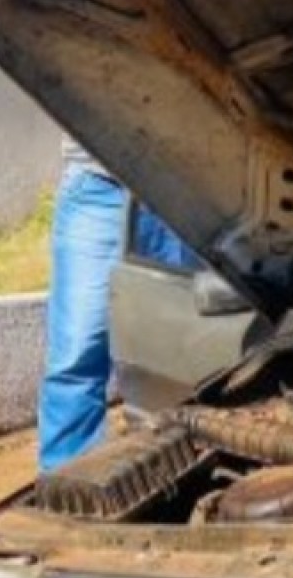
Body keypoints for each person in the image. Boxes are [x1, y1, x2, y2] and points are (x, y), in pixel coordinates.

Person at [39, 138, 195, 472]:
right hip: (100, 189)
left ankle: (173, 482)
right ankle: (68, 494)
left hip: (186, 188)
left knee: (187, 356)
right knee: (77, 355)